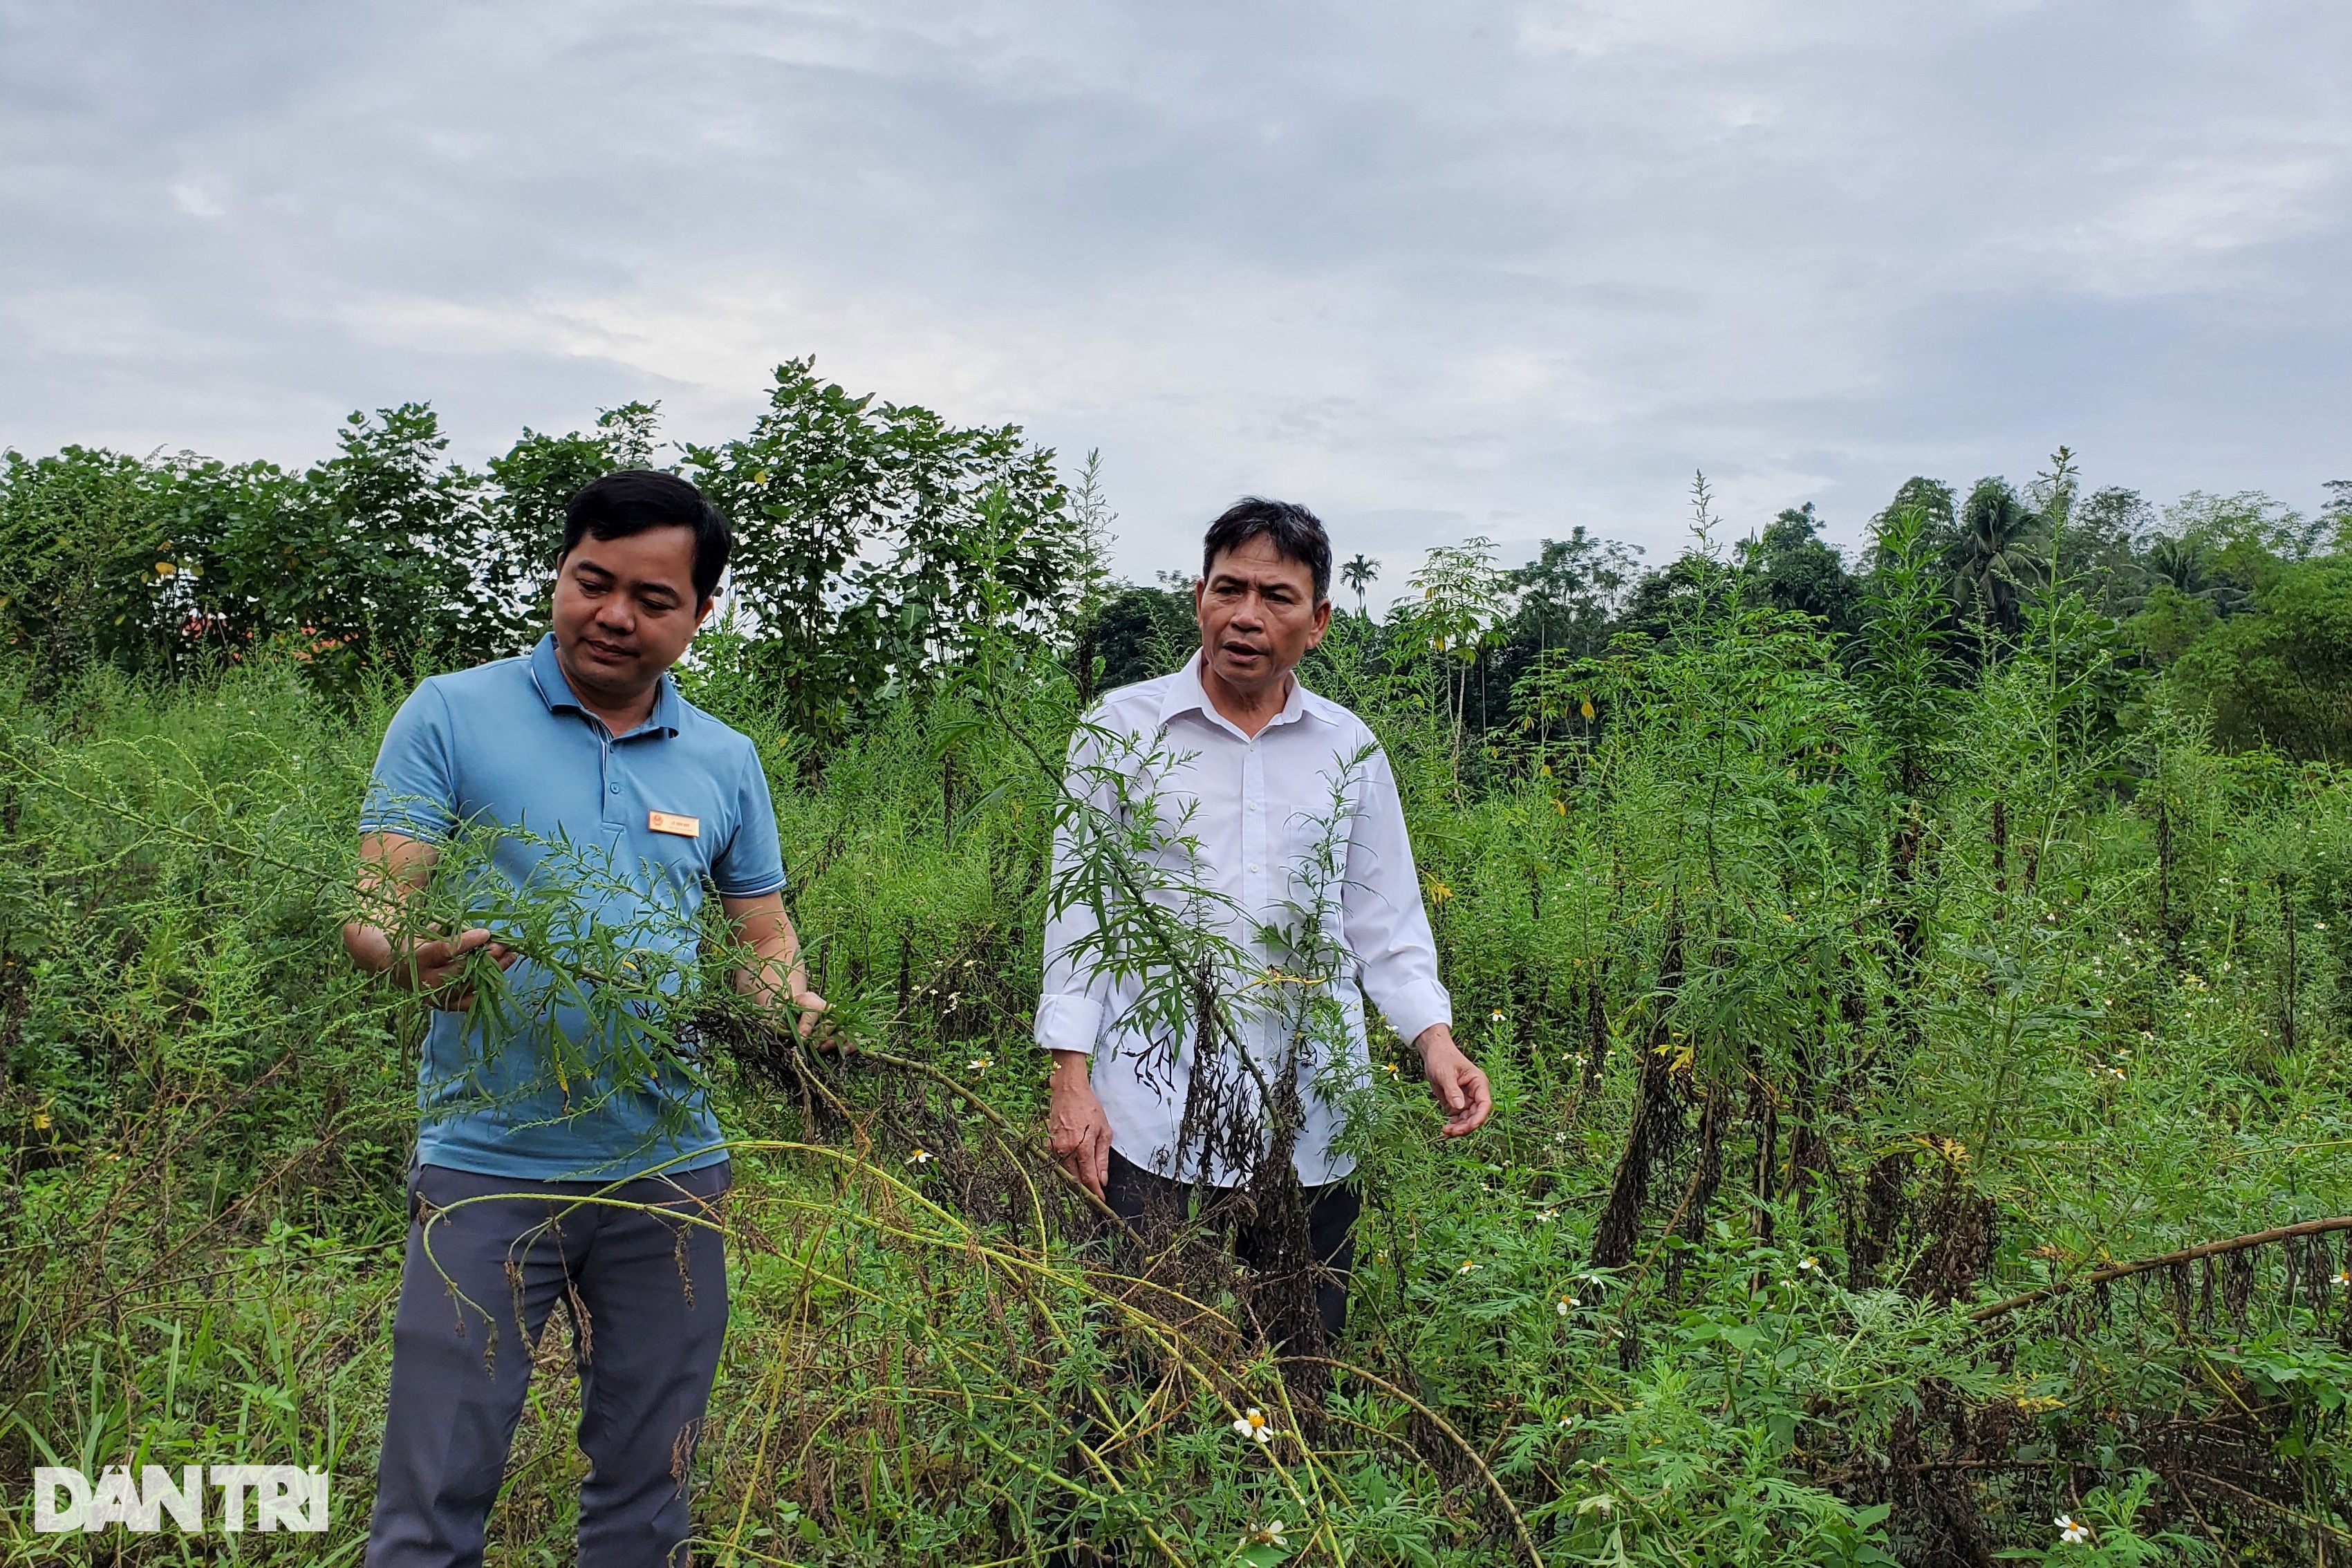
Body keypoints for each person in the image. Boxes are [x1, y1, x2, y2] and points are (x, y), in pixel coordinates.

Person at [344, 471, 825, 1568]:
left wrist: (781, 1002)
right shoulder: (451, 712)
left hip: (669, 1168)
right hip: (486, 1163)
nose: (612, 615)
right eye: (589, 582)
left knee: (648, 1494)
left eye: (652, 599)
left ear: (699, 615)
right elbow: (378, 900)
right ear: (559, 575)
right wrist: (404, 955)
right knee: (433, 1491)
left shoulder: (724, 759)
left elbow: (760, 934)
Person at [1038, 496, 1491, 1341]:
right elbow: (1080, 914)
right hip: (1150, 1113)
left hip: (1314, 1117)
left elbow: (1384, 923)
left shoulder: (1348, 749)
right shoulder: (1118, 731)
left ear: (1317, 621)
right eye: (1229, 588)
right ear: (1197, 597)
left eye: (1276, 597)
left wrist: (1434, 1040)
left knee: (1300, 1362)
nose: (1246, 615)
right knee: (1140, 1362)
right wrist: (1071, 1076)